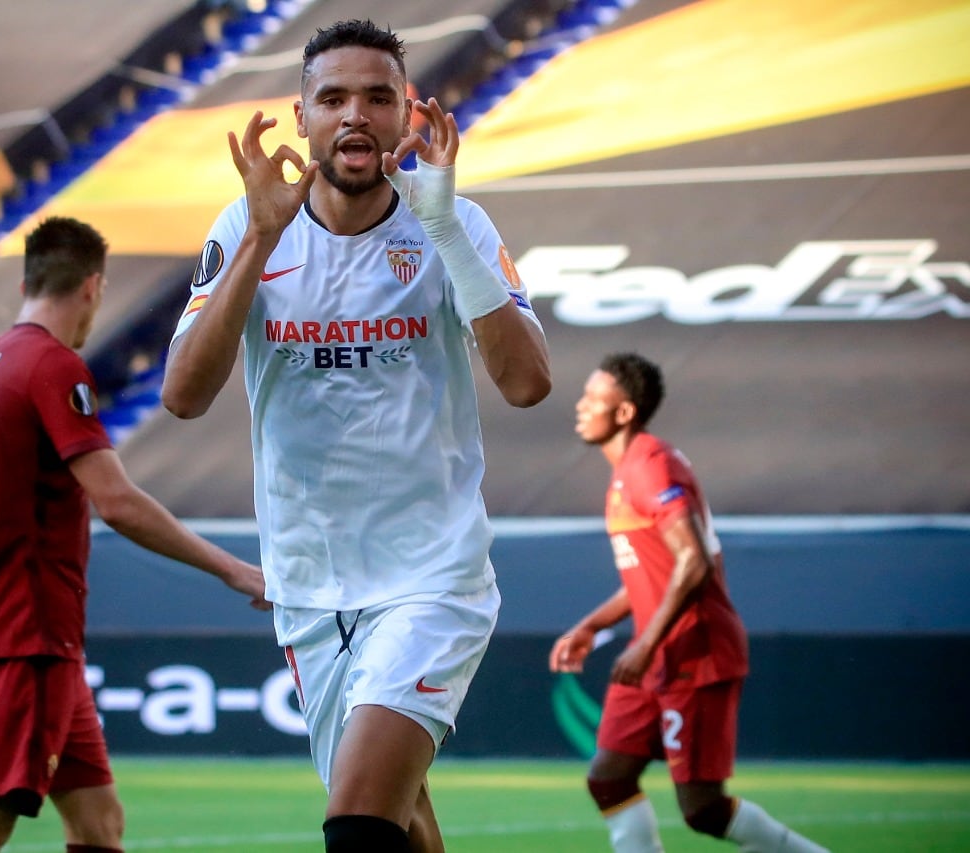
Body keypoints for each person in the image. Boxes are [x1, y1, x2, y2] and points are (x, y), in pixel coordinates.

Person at [161, 19, 552, 852]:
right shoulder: (247, 226)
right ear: (300, 118)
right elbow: (184, 396)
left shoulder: (454, 222)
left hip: (429, 576)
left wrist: (445, 228)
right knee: (403, 817)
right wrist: (262, 237)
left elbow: (528, 385)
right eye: (333, 98)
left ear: (407, 116)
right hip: (309, 585)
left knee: (358, 823)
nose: (356, 116)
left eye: (379, 97)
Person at [0, 216, 269, 853]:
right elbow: (116, 503)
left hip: (17, 631)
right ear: (92, 288)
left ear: (27, 280)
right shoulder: (53, 367)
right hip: (29, 633)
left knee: (98, 821)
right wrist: (233, 569)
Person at [550, 352, 829, 853]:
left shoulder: (651, 466)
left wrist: (644, 644)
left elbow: (693, 561)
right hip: (655, 650)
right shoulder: (626, 474)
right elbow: (651, 577)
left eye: (593, 397)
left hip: (694, 653)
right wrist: (592, 625)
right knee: (608, 778)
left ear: (624, 413)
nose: (580, 406)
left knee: (702, 808)